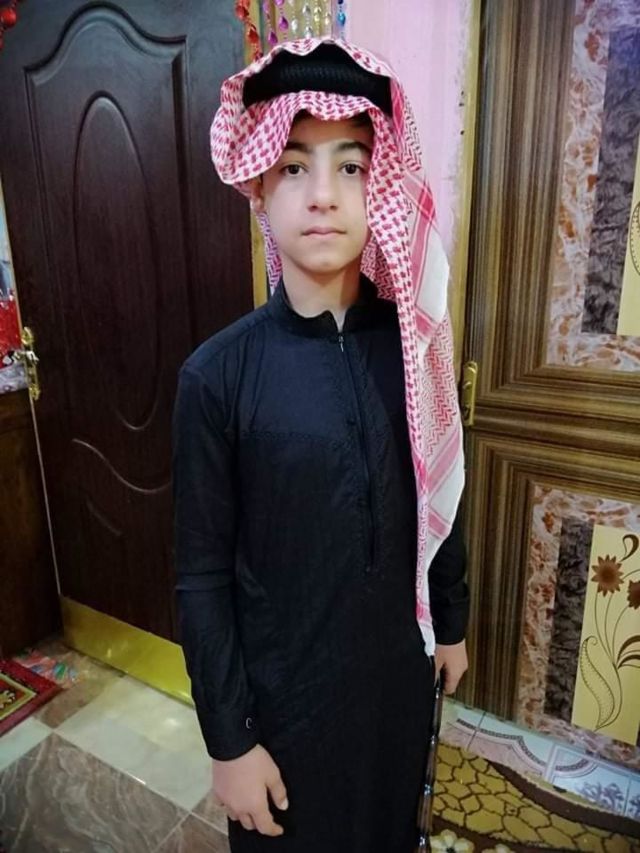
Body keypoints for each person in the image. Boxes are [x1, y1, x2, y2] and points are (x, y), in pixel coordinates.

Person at [172, 38, 469, 853]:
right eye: (295, 166)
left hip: (396, 685)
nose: (324, 195)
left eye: (351, 165)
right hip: (283, 713)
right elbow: (201, 577)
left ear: (382, 185)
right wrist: (228, 740)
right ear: (259, 185)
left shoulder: (415, 346)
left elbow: (442, 493)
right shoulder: (216, 377)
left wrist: (450, 621)